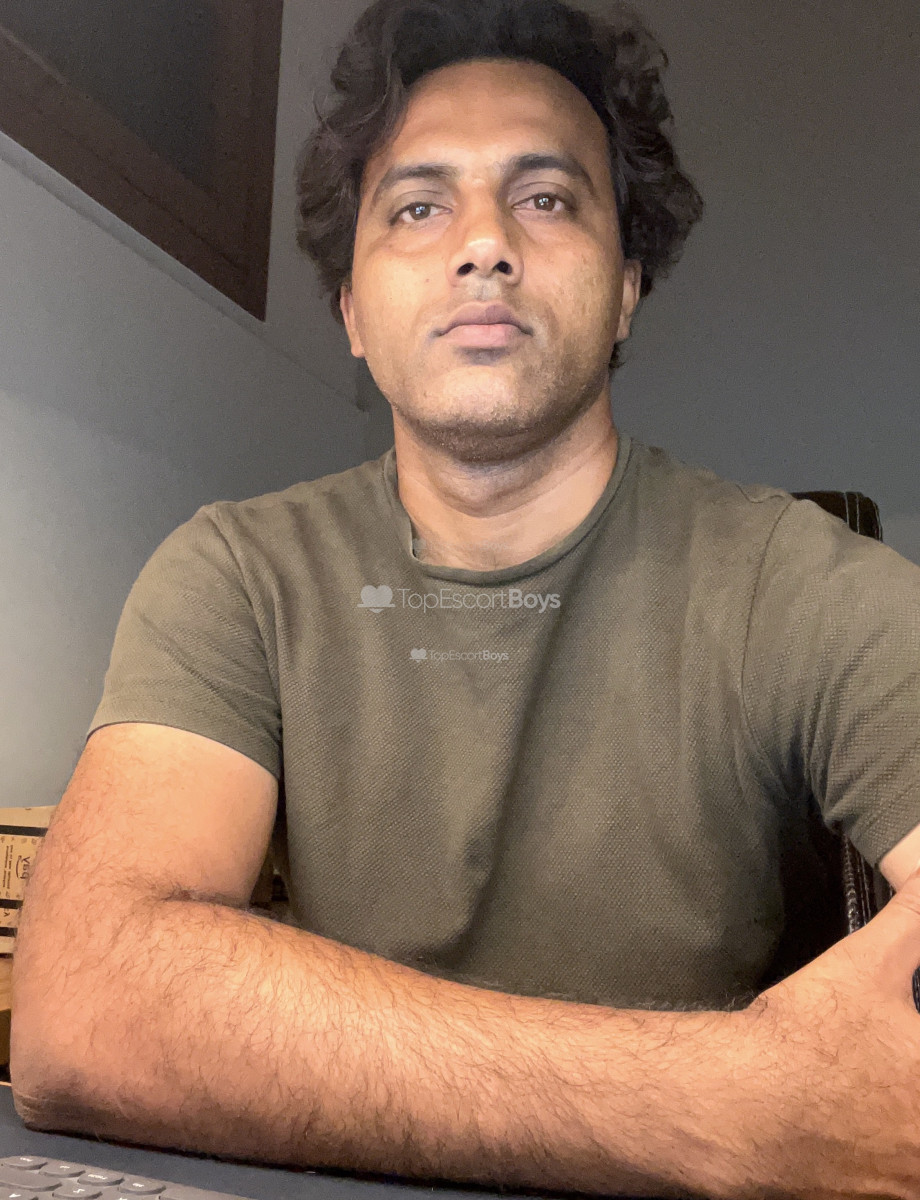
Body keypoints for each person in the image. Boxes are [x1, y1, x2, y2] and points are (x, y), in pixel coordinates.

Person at [11, 0, 920, 1196]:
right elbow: (84, 1002)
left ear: (626, 286)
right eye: (416, 206)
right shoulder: (239, 572)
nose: (482, 243)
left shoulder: (793, 582)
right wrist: (732, 1105)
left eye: (544, 198)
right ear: (349, 309)